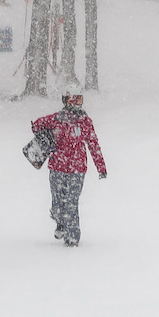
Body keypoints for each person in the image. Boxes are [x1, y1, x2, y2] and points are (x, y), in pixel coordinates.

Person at [31, 89, 107, 247]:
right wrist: (47, 133)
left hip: (77, 169)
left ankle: (72, 238)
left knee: (72, 202)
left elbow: (93, 144)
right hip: (57, 167)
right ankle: (61, 222)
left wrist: (101, 167)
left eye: (79, 99)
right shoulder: (57, 118)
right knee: (57, 204)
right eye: (73, 100)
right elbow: (36, 125)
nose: (76, 104)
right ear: (65, 100)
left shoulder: (85, 121)